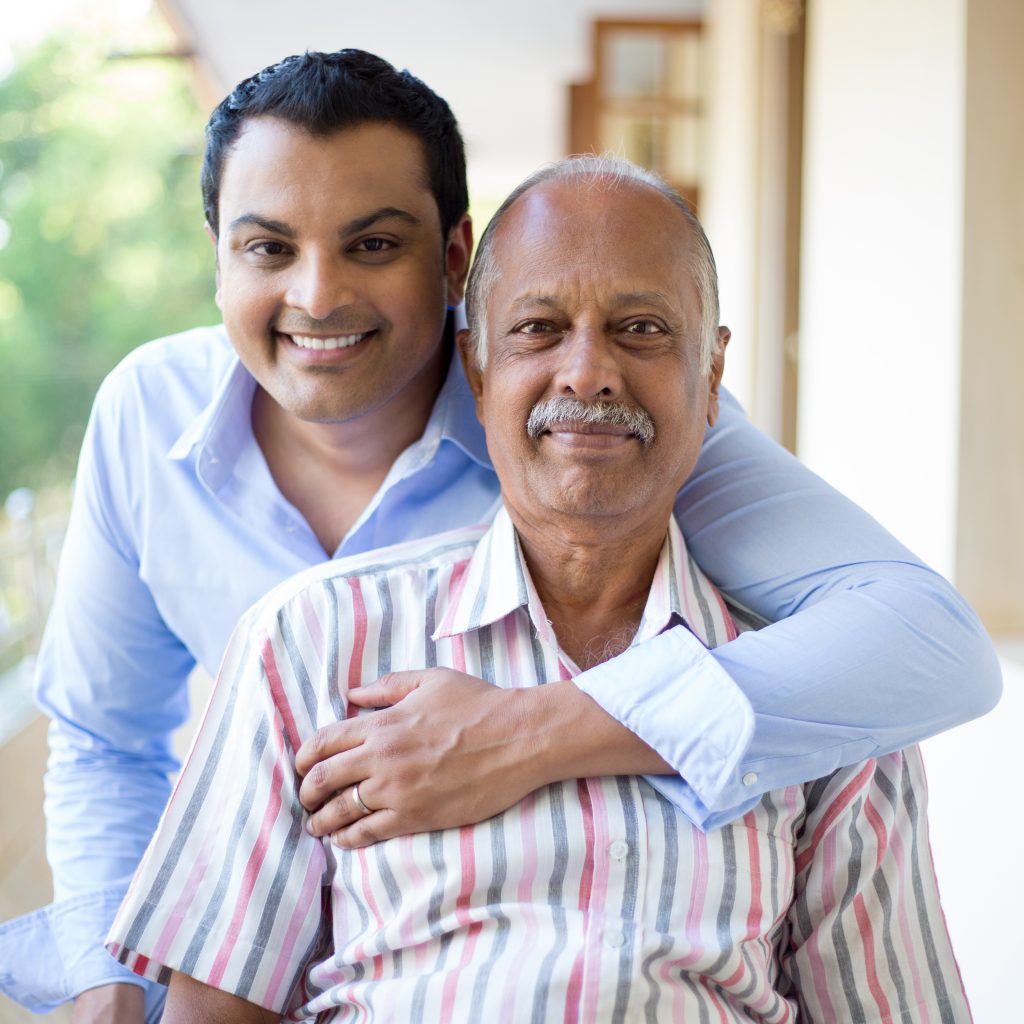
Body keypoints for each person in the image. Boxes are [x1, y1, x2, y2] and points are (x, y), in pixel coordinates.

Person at [0, 49, 997, 1023]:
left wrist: (523, 731)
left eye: (373, 243)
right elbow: (103, 738)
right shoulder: (165, 444)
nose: (317, 296)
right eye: (269, 248)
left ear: (452, 261)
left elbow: (927, 641)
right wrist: (108, 992)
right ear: (216, 254)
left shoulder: (602, 430)